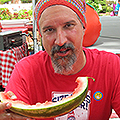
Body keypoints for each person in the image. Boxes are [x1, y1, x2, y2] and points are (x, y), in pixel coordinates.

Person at [0, 0, 120, 120]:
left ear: (84, 27)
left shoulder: (111, 65)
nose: (60, 41)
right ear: (40, 35)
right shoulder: (25, 71)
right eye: (49, 30)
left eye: (68, 26)